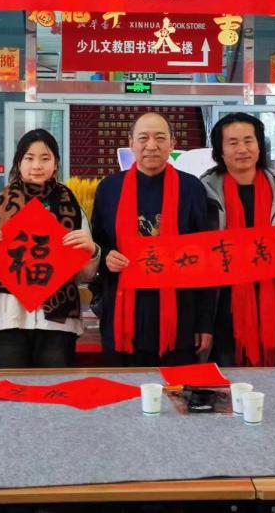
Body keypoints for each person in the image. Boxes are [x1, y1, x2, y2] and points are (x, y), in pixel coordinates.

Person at [91, 111, 215, 366]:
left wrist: (204, 323)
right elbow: (97, 245)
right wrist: (106, 258)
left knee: (177, 387)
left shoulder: (191, 188)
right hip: (122, 315)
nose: (151, 145)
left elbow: (205, 259)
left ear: (172, 144)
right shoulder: (109, 188)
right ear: (131, 143)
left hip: (179, 316)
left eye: (160, 138)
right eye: (143, 138)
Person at [0, 129, 99, 367]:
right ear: (19, 163)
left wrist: (92, 252)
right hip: (8, 318)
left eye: (45, 158)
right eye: (29, 158)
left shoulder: (72, 207)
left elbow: (85, 275)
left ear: (55, 164)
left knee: (54, 386)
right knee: (11, 386)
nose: (37, 165)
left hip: (57, 322)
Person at [200, 112, 275, 366]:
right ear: (219, 150)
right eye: (232, 142)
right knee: (227, 379)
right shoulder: (201, 194)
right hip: (223, 307)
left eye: (248, 140)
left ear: (260, 145)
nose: (242, 149)